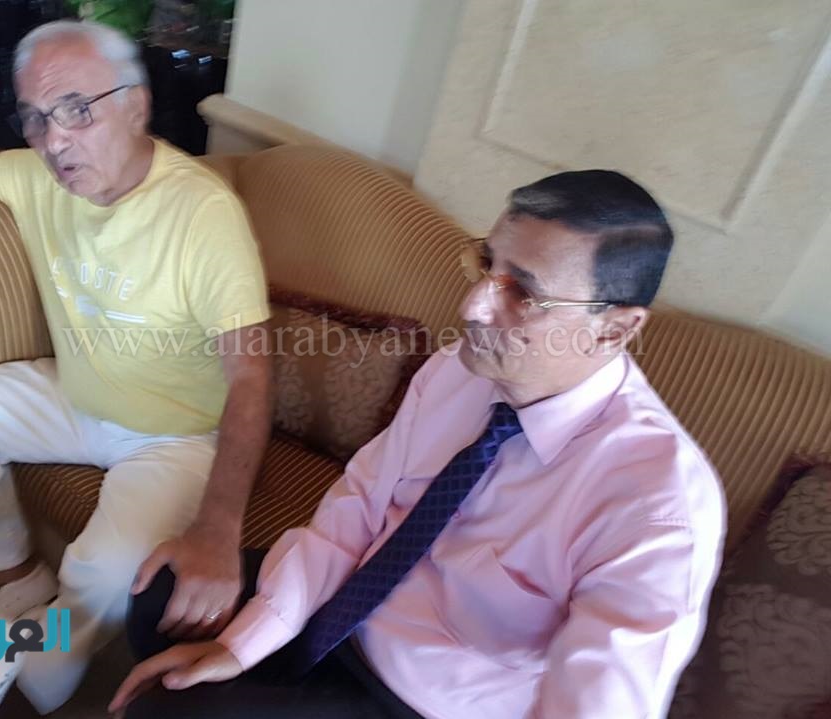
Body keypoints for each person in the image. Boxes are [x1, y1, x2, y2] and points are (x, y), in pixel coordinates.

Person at [110, 170, 727, 719]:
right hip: (345, 609)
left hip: (422, 698)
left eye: (524, 293)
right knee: (158, 597)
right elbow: (358, 505)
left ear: (614, 328)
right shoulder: (459, 370)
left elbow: (596, 704)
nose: (474, 306)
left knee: (169, 709)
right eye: (486, 264)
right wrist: (242, 644)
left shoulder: (656, 506)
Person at [0, 20, 272, 714]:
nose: (54, 140)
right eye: (34, 117)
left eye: (76, 109)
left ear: (136, 105)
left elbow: (252, 376)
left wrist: (218, 528)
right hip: (78, 393)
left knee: (105, 573)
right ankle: (11, 579)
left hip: (175, 434)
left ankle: (15, 684)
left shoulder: (201, 214)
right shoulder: (44, 175)